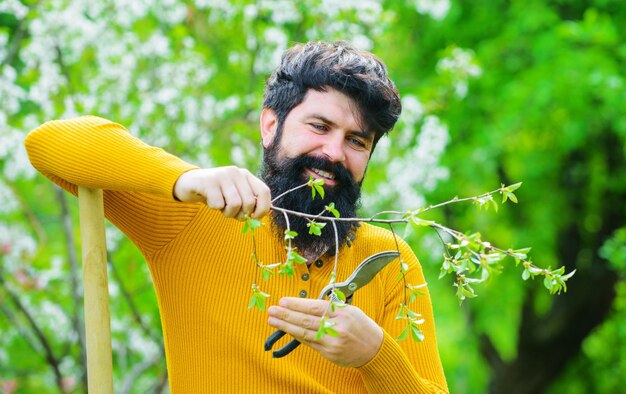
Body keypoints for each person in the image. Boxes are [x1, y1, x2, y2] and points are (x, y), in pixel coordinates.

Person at [25, 41, 448, 393]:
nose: (334, 153)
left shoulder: (391, 260)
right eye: (319, 126)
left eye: (356, 141)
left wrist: (375, 355)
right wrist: (185, 178)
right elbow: (49, 144)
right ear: (270, 125)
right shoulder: (196, 219)